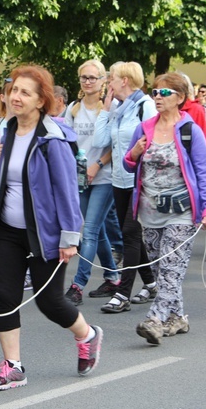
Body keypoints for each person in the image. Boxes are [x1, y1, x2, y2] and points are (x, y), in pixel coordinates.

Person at [0, 64, 103, 391]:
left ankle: (87, 335)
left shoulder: (53, 139)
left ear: (41, 101)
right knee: (4, 296)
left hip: (45, 233)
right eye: (13, 90)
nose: (15, 97)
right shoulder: (6, 130)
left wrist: (69, 237)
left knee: (49, 302)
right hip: (8, 229)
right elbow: (7, 182)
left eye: (25, 92)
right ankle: (13, 366)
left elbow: (67, 192)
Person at [123, 73, 206, 344]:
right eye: (154, 92)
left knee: (171, 266)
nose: (157, 98)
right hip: (149, 211)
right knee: (162, 267)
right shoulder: (144, 128)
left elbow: (204, 172)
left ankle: (156, 318)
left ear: (180, 98)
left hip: (182, 212)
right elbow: (128, 164)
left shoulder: (190, 130)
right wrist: (135, 154)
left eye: (164, 93)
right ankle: (178, 317)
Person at [94, 61, 158, 312]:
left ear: (125, 81)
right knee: (129, 234)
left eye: (112, 78)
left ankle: (123, 294)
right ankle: (151, 283)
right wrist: (106, 110)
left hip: (138, 181)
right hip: (118, 180)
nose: (108, 82)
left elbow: (154, 144)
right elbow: (101, 141)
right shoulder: (118, 107)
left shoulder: (146, 106)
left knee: (130, 233)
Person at [63, 60, 120, 306]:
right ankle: (112, 277)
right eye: (84, 77)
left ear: (103, 81)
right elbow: (67, 143)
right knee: (97, 233)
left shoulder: (112, 106)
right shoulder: (73, 108)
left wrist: (98, 164)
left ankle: (78, 285)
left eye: (93, 78)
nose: (88, 82)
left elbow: (116, 143)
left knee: (90, 232)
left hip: (104, 177)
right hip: (80, 178)